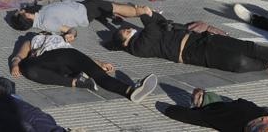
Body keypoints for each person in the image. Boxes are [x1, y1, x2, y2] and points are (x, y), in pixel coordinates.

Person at [111, 8, 268, 73]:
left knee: (247, 47)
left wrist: (149, 13)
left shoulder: (144, 37)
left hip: (199, 39)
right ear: (125, 41)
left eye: (128, 27)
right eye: (126, 31)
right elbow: (153, 28)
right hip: (191, 52)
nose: (130, 29)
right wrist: (143, 13)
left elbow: (161, 22)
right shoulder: (138, 46)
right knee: (238, 62)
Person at [10, 31, 157, 103]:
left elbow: (21, 55)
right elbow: (20, 54)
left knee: (27, 67)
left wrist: (99, 63)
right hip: (67, 58)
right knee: (101, 77)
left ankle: (132, 90)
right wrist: (17, 62)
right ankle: (129, 90)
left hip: (60, 56)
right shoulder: (41, 39)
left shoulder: (38, 38)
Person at [159, 88, 268, 131]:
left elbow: (180, 114)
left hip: (251, 122)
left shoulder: (213, 115)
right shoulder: (216, 115)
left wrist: (168, 108)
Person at [9, 0, 150, 34]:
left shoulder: (40, 16)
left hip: (83, 7)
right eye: (21, 12)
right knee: (114, 7)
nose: (23, 10)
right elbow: (68, 30)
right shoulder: (46, 23)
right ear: (26, 16)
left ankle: (120, 13)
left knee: (110, 8)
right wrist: (70, 34)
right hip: (86, 11)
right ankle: (141, 12)